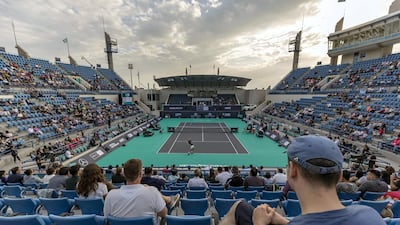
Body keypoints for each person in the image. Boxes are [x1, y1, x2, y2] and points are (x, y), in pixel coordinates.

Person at [219, 135, 386, 225]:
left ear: (292, 170)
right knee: (240, 207)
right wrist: (283, 221)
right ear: (340, 174)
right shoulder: (369, 215)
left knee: (237, 206)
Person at [104, 158, 179, 225]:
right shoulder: (152, 192)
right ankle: (168, 199)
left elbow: (106, 218)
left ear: (124, 174)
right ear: (140, 174)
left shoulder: (110, 195)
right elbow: (164, 213)